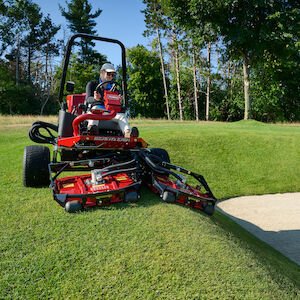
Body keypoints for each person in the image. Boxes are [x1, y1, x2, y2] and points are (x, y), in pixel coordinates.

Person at [87, 63, 131, 138]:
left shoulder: (114, 89)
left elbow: (118, 105)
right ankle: (92, 130)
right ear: (102, 72)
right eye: (108, 74)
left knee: (122, 116)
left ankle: (128, 133)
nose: (110, 76)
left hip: (110, 112)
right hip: (96, 109)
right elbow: (88, 99)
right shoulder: (92, 84)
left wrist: (119, 101)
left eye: (112, 75)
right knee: (95, 111)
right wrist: (95, 98)